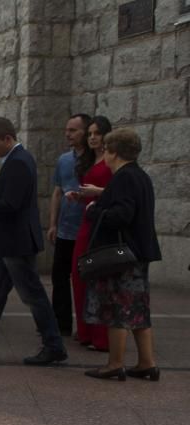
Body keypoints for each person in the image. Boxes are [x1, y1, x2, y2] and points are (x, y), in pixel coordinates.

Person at [0, 118, 67, 366]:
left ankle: (53, 345)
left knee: (32, 295)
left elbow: (11, 205)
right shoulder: (17, 160)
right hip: (6, 241)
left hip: (16, 242)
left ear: (8, 139)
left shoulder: (19, 162)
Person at [82, 128, 161, 381]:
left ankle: (115, 363)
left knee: (118, 308)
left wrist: (94, 210)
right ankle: (146, 362)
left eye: (106, 148)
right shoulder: (140, 176)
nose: (103, 153)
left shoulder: (123, 177)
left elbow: (122, 214)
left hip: (122, 255)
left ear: (113, 152)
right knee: (138, 309)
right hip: (138, 251)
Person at [69, 115, 112, 352]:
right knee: (79, 274)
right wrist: (79, 196)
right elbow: (89, 193)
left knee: (100, 277)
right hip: (87, 221)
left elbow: (121, 191)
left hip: (104, 224)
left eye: (97, 133)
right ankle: (85, 331)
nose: (93, 138)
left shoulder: (112, 160)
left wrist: (98, 191)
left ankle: (102, 336)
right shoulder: (87, 160)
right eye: (91, 134)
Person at [47, 114, 91, 336]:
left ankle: (87, 325)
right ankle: (60, 322)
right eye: (67, 130)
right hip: (65, 228)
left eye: (73, 130)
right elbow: (57, 192)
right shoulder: (64, 160)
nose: (68, 134)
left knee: (84, 279)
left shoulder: (96, 159)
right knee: (59, 276)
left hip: (87, 229)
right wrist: (53, 223)